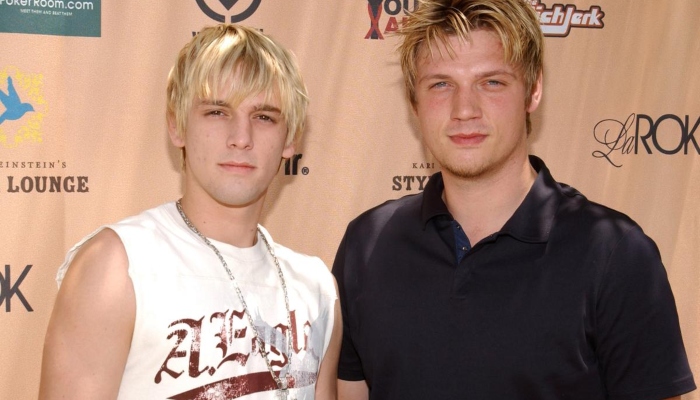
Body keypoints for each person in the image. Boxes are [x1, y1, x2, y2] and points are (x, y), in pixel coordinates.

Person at [332, 1, 695, 399]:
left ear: (533, 90)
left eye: (491, 82)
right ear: (413, 101)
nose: (464, 110)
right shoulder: (367, 243)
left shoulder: (615, 254)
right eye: (441, 84)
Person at [39, 24, 341, 400]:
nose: (241, 137)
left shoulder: (316, 287)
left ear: (290, 138)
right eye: (217, 112)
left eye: (264, 116)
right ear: (177, 125)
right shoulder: (118, 265)